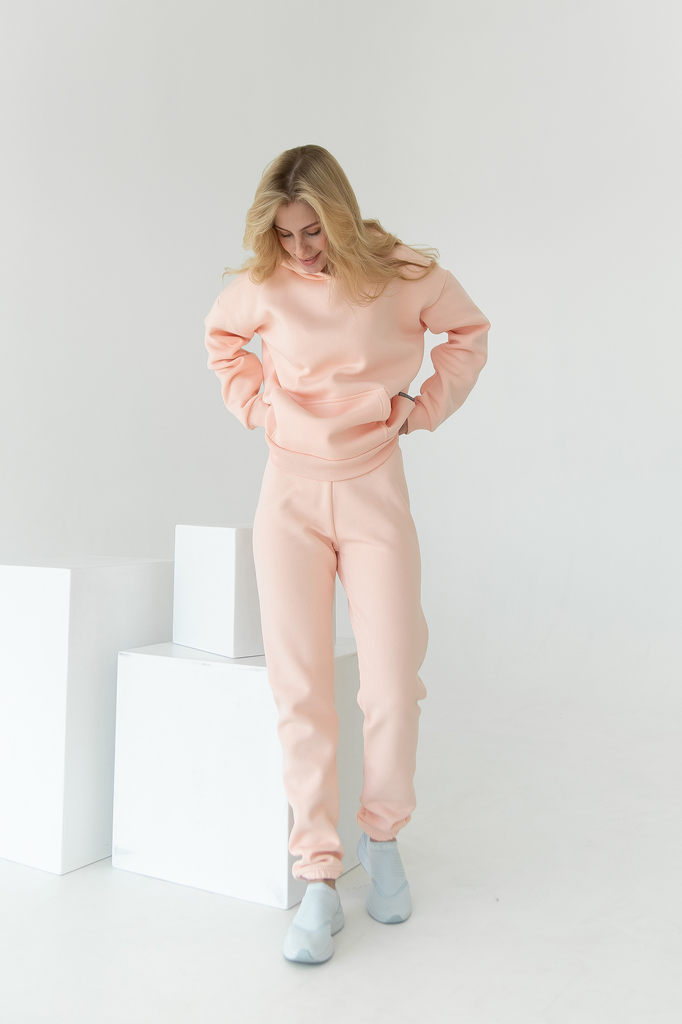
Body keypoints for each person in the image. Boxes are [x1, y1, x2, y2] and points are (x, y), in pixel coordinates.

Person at [203, 145, 490, 964]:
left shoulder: (398, 272)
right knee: (300, 691)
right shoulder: (265, 281)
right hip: (288, 495)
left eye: (314, 230)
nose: (301, 249)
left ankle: (383, 838)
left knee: (391, 683)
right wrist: (258, 407)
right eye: (286, 233)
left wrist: (421, 408)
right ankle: (319, 877)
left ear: (339, 214)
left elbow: (469, 332)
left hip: (373, 488)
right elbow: (223, 339)